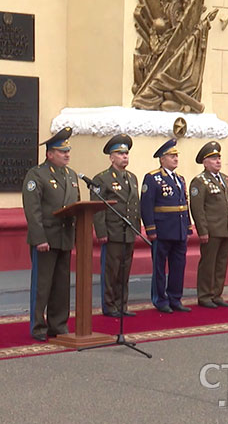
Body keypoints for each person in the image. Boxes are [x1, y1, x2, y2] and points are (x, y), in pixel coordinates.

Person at [22, 127, 80, 341]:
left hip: (64, 238)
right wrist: (39, 239)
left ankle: (58, 324)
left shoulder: (72, 175)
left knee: (61, 285)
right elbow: (33, 210)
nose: (67, 154)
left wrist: (76, 236)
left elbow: (77, 206)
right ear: (49, 154)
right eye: (62, 151)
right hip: (46, 239)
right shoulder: (37, 175)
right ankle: (38, 326)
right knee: (42, 285)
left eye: (68, 151)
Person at [141, 139, 192, 314]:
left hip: (179, 229)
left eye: (176, 155)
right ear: (162, 159)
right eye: (172, 156)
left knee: (179, 265)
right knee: (160, 268)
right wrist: (150, 228)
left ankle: (175, 298)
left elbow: (184, 203)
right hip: (162, 230)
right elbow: (146, 205)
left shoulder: (180, 179)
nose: (176, 159)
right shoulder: (153, 178)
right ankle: (160, 299)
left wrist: (188, 225)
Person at [92, 134, 140, 318]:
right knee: (111, 271)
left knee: (124, 271)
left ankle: (122, 305)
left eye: (126, 153)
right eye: (120, 154)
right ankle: (109, 305)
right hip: (112, 231)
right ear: (111, 157)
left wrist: (136, 226)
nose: (125, 157)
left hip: (128, 231)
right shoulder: (102, 179)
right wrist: (101, 232)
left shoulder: (132, 178)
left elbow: (135, 203)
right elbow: (98, 208)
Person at [189, 141, 228, 308]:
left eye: (219, 158)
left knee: (221, 263)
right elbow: (197, 208)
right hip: (211, 229)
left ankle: (217, 293)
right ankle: (205, 295)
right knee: (208, 264)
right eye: (213, 158)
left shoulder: (225, 179)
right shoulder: (199, 181)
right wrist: (202, 230)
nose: (218, 161)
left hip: (226, 228)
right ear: (205, 162)